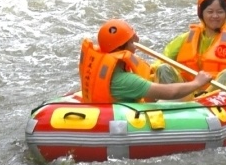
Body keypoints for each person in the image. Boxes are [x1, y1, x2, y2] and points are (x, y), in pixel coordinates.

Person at [79, 18, 210, 105]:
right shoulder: (125, 80)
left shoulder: (108, 67)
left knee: (162, 69)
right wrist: (197, 82)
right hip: (122, 119)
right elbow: (172, 93)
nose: (137, 41)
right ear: (121, 47)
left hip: (110, 106)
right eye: (132, 40)